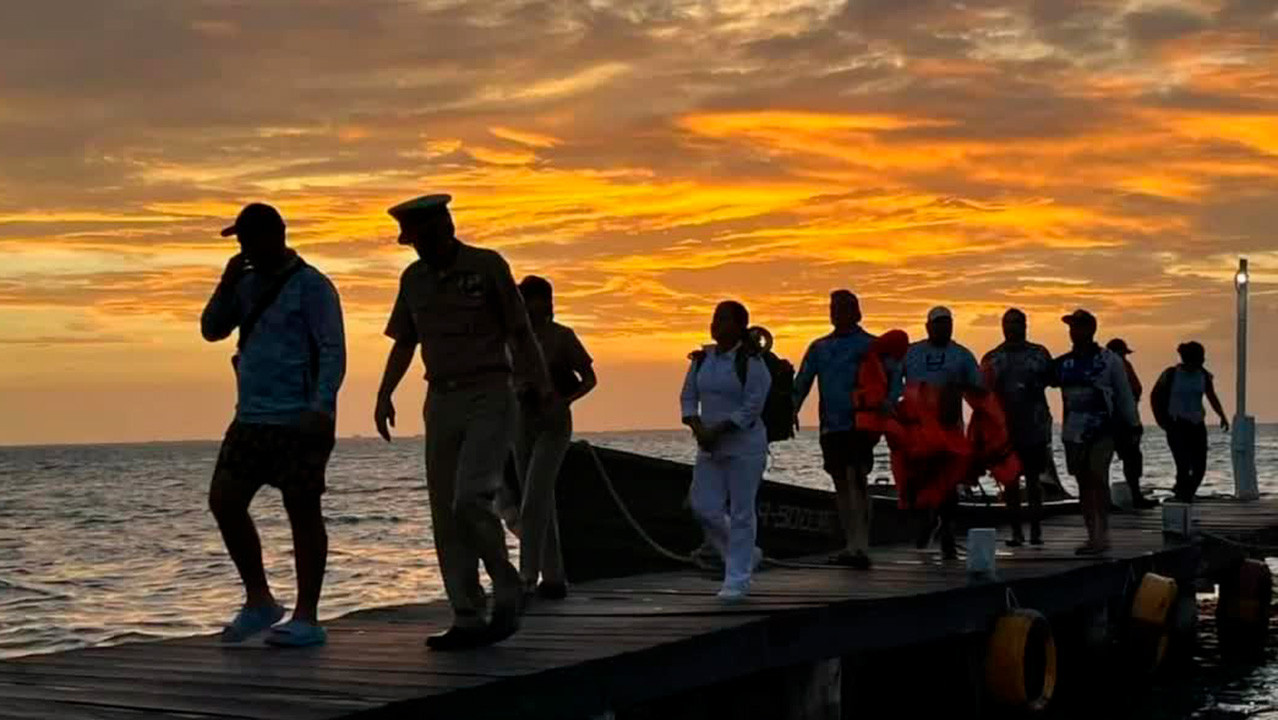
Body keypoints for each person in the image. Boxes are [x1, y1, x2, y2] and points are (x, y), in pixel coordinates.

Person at [374, 194, 552, 651]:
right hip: (441, 398)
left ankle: (505, 582)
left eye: (422, 237)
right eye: (411, 240)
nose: (417, 247)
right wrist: (384, 392)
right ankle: (467, 614)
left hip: (491, 393)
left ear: (444, 228)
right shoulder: (413, 280)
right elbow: (404, 342)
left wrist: (542, 387)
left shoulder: (487, 266)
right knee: (445, 514)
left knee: (470, 497)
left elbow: (520, 331)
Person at [201, 203, 346, 648]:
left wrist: (321, 407)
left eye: (249, 239)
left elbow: (332, 349)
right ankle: (259, 600)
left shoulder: (312, 287)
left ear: (276, 235)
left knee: (303, 512)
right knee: (225, 500)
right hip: (250, 417)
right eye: (240, 241)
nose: (245, 248)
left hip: (299, 419)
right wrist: (226, 282)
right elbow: (211, 329)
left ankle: (307, 615)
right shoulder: (243, 286)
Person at [513, 275, 597, 602]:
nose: (527, 305)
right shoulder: (513, 339)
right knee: (538, 499)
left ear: (546, 302)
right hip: (521, 422)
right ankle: (554, 575)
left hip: (554, 423)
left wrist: (567, 398)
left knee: (534, 498)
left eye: (532, 299)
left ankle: (526, 577)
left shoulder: (562, 337)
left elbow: (590, 378)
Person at [681, 301, 772, 602]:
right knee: (703, 507)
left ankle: (736, 580)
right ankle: (748, 554)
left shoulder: (752, 362)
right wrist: (698, 428)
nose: (716, 324)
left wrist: (718, 430)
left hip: (745, 448)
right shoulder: (702, 360)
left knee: (742, 512)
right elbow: (688, 397)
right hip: (709, 447)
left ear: (739, 325)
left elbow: (752, 407)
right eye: (714, 318)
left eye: (723, 319)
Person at [792, 290, 877, 569]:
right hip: (831, 424)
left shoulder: (870, 345)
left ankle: (862, 543)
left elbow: (890, 377)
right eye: (833, 307)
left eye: (843, 307)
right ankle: (849, 543)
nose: (836, 312)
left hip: (860, 423)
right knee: (840, 479)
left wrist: (888, 407)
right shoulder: (819, 347)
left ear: (857, 311)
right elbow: (802, 382)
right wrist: (791, 409)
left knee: (857, 476)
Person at [901, 307, 983, 559]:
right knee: (919, 480)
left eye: (947, 324)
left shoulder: (962, 356)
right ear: (928, 327)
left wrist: (958, 387)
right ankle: (927, 519)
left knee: (948, 484)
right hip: (918, 431)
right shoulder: (912, 353)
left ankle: (947, 530)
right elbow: (894, 381)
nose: (943, 328)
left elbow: (980, 389)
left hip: (950, 429)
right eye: (937, 324)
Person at [1055, 310, 1139, 555]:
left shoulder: (1109, 360)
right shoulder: (1063, 364)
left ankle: (1103, 535)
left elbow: (1124, 394)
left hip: (1103, 430)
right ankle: (1092, 535)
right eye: (1071, 327)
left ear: (1090, 329)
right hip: (1073, 432)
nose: (1073, 332)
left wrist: (1133, 425)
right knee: (1083, 482)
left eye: (1078, 327)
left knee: (1098, 477)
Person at [982, 309, 1054, 547]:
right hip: (1004, 432)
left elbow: (1053, 381)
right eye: (1008, 323)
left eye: (1017, 322)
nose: (1012, 327)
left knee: (1034, 481)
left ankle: (1036, 529)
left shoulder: (1039, 354)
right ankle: (1016, 531)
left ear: (1025, 325)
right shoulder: (992, 358)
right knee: (1010, 483)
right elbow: (983, 395)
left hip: (1034, 428)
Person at [1151, 341, 1230, 503]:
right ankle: (1182, 496)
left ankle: (1186, 492)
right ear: (1189, 358)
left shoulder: (1203, 375)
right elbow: (1155, 396)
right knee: (1183, 463)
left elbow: (1211, 395)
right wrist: (1161, 420)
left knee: (1200, 465)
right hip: (1176, 423)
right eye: (1200, 357)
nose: (1203, 361)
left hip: (1197, 424)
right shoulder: (1171, 374)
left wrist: (1221, 415)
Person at [1106, 339, 1156, 509]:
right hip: (1121, 421)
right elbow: (1128, 393)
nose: (1124, 356)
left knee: (1130, 459)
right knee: (1130, 458)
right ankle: (1132, 496)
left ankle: (1131, 496)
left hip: (1121, 419)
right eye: (1122, 353)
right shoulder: (1118, 367)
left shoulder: (1117, 366)